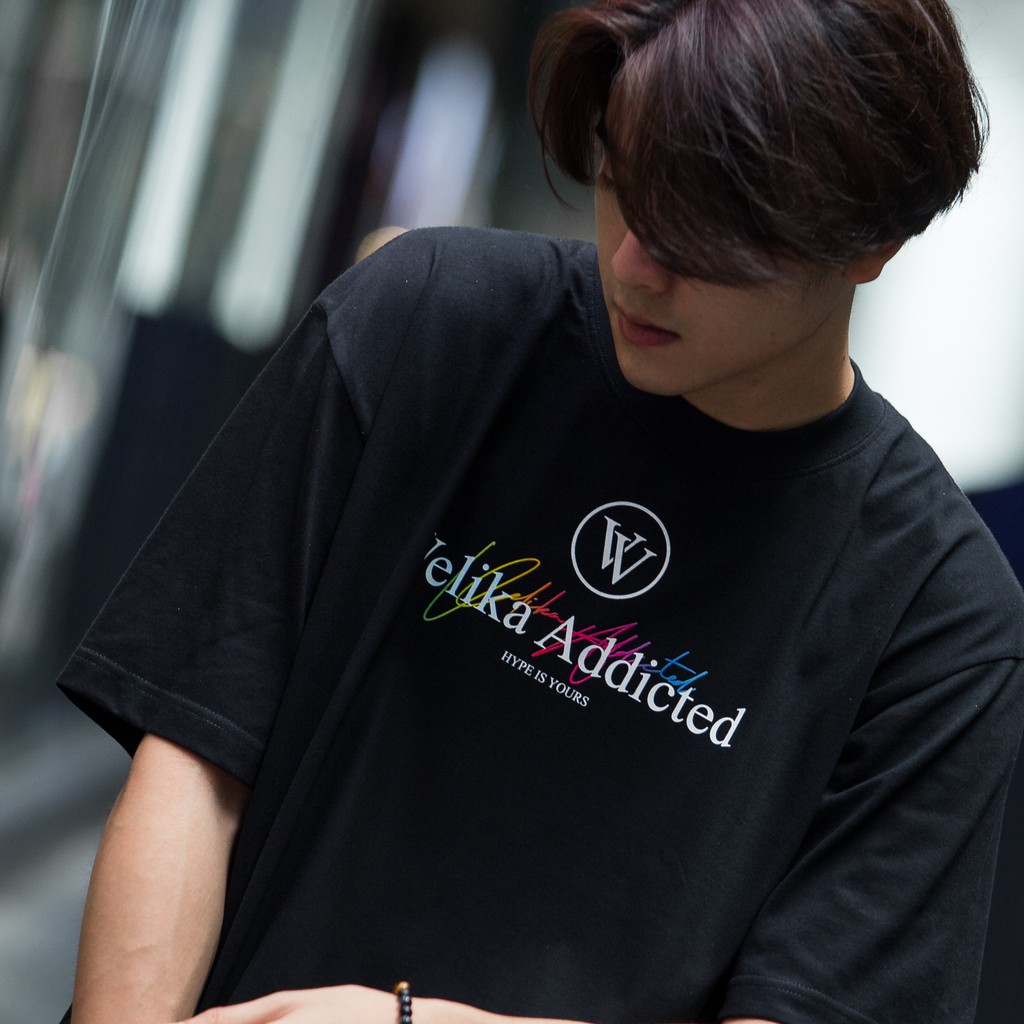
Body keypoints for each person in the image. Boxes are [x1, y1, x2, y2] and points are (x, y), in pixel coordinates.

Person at [57, 1, 1024, 1023]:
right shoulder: (423, 321)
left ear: (871, 241)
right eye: (620, 179)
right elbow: (197, 758)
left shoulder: (938, 618)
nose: (635, 263)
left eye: (708, 227)